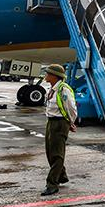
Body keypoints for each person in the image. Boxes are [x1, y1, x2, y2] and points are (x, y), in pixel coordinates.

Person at [41, 64, 77, 196]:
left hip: (60, 123)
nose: (46, 75)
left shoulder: (63, 90)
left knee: (57, 154)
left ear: (54, 76)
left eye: (48, 73)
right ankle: (62, 176)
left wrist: (70, 122)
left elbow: (71, 108)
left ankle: (52, 184)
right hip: (51, 122)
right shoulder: (52, 89)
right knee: (50, 152)